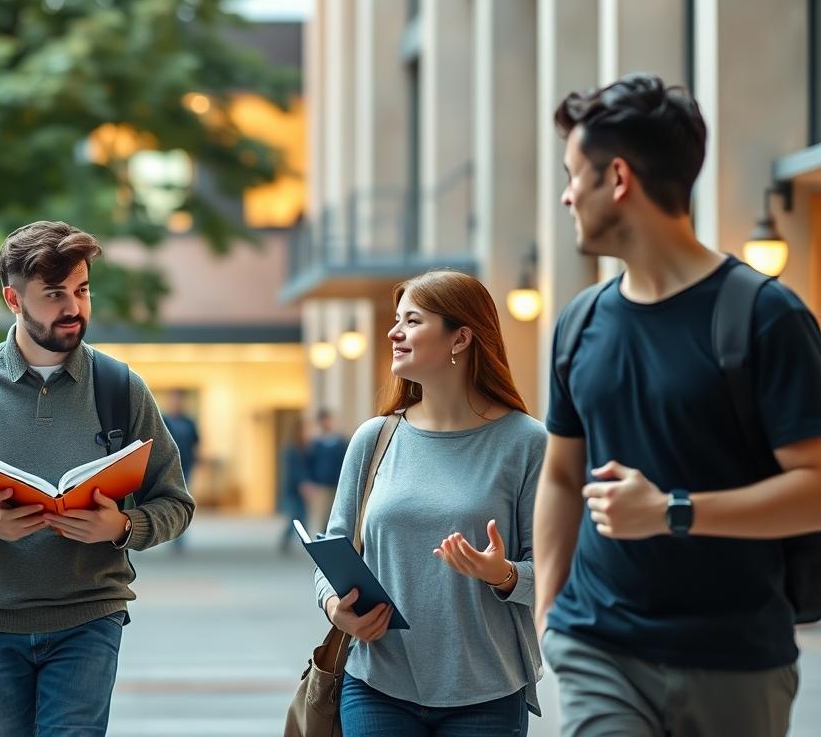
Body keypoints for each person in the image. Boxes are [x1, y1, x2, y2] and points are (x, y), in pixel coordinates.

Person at [534, 74, 821, 737]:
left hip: (735, 659)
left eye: (575, 174)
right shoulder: (579, 324)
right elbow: (559, 476)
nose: (566, 194)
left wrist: (672, 512)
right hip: (596, 646)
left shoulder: (764, 318)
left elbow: (814, 489)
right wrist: (548, 615)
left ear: (620, 179)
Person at [0, 220, 195, 737]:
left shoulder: (121, 388)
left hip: (89, 616)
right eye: (54, 294)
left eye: (81, 290)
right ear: (13, 298)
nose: (73, 307)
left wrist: (121, 528)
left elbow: (175, 503)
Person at [316, 269, 545, 736]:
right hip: (376, 682)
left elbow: (560, 576)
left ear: (461, 338)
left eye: (413, 321)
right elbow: (331, 551)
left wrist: (501, 574)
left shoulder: (525, 442)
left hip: (487, 693)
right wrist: (332, 606)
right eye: (397, 319)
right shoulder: (375, 438)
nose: (393, 332)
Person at [161, 390, 199, 551]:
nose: (176, 402)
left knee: (183, 500)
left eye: (179, 400)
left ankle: (180, 535)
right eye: (173, 399)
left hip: (186, 466)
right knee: (168, 499)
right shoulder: (164, 420)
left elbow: (196, 442)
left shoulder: (189, 422)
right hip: (168, 467)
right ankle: (169, 532)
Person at [302, 407, 346, 534]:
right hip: (320, 486)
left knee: (334, 517)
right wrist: (308, 482)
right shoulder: (315, 444)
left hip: (337, 486)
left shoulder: (340, 443)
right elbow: (308, 464)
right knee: (320, 517)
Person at [277, 419, 310, 552]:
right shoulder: (292, 449)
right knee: (296, 516)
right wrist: (302, 483)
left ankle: (300, 542)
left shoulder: (303, 447)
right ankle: (288, 541)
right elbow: (295, 470)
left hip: (298, 490)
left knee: (299, 517)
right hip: (292, 489)